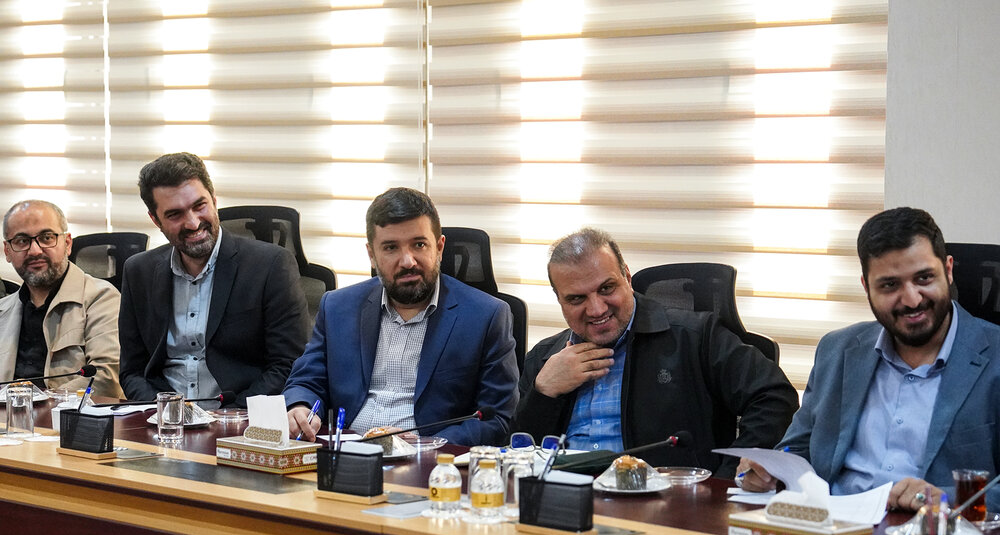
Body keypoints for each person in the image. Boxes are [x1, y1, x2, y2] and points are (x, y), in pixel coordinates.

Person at [737, 207, 1000, 512]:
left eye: (924, 278)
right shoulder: (837, 350)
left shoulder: (993, 356)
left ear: (948, 270)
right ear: (866, 287)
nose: (912, 299)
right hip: (834, 525)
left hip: (931, 532)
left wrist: (944, 499)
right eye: (890, 285)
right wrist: (766, 470)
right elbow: (796, 449)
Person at [512, 228, 798, 475]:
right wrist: (543, 393)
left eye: (607, 288)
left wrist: (727, 479)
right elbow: (516, 456)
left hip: (667, 503)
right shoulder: (544, 358)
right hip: (564, 499)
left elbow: (774, 396)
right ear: (559, 300)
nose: (597, 309)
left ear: (627, 277)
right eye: (577, 298)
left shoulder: (695, 336)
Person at [285, 187, 518, 446]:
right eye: (391, 247)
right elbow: (306, 380)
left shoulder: (486, 316)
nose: (408, 261)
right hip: (346, 452)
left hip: (428, 459)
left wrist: (424, 444)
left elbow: (496, 420)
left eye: (419, 244)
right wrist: (300, 406)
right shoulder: (338, 307)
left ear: (439, 247)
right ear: (372, 255)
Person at [119, 152, 310, 407]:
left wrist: (228, 418)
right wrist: (166, 413)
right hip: (164, 419)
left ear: (214, 200)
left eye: (199, 206)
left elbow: (288, 364)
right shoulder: (138, 271)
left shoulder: (271, 265)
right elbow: (132, 371)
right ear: (156, 220)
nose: (193, 223)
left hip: (240, 417)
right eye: (175, 214)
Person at [0, 200, 123, 397]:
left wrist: (37, 404)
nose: (35, 250)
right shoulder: (3, 310)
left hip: (66, 415)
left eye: (46, 238)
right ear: (7, 251)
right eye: (22, 241)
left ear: (67, 243)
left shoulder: (102, 298)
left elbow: (106, 378)